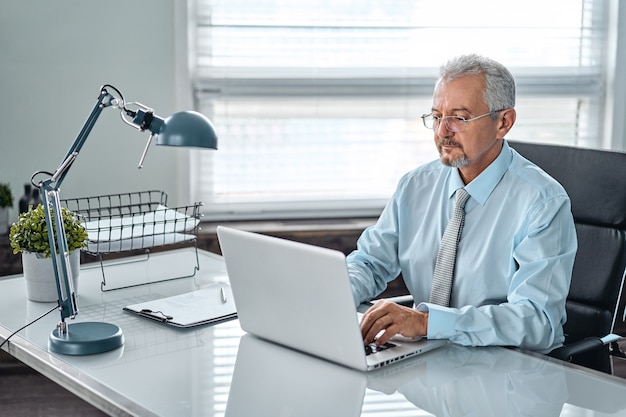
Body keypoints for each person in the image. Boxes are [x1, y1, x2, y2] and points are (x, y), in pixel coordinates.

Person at [348, 54, 577, 353]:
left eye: (459, 118)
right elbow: (369, 263)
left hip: (510, 373)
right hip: (431, 363)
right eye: (437, 116)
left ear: (503, 123)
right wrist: (333, 296)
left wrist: (427, 323)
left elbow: (538, 321)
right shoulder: (415, 186)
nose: (443, 131)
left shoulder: (542, 202)